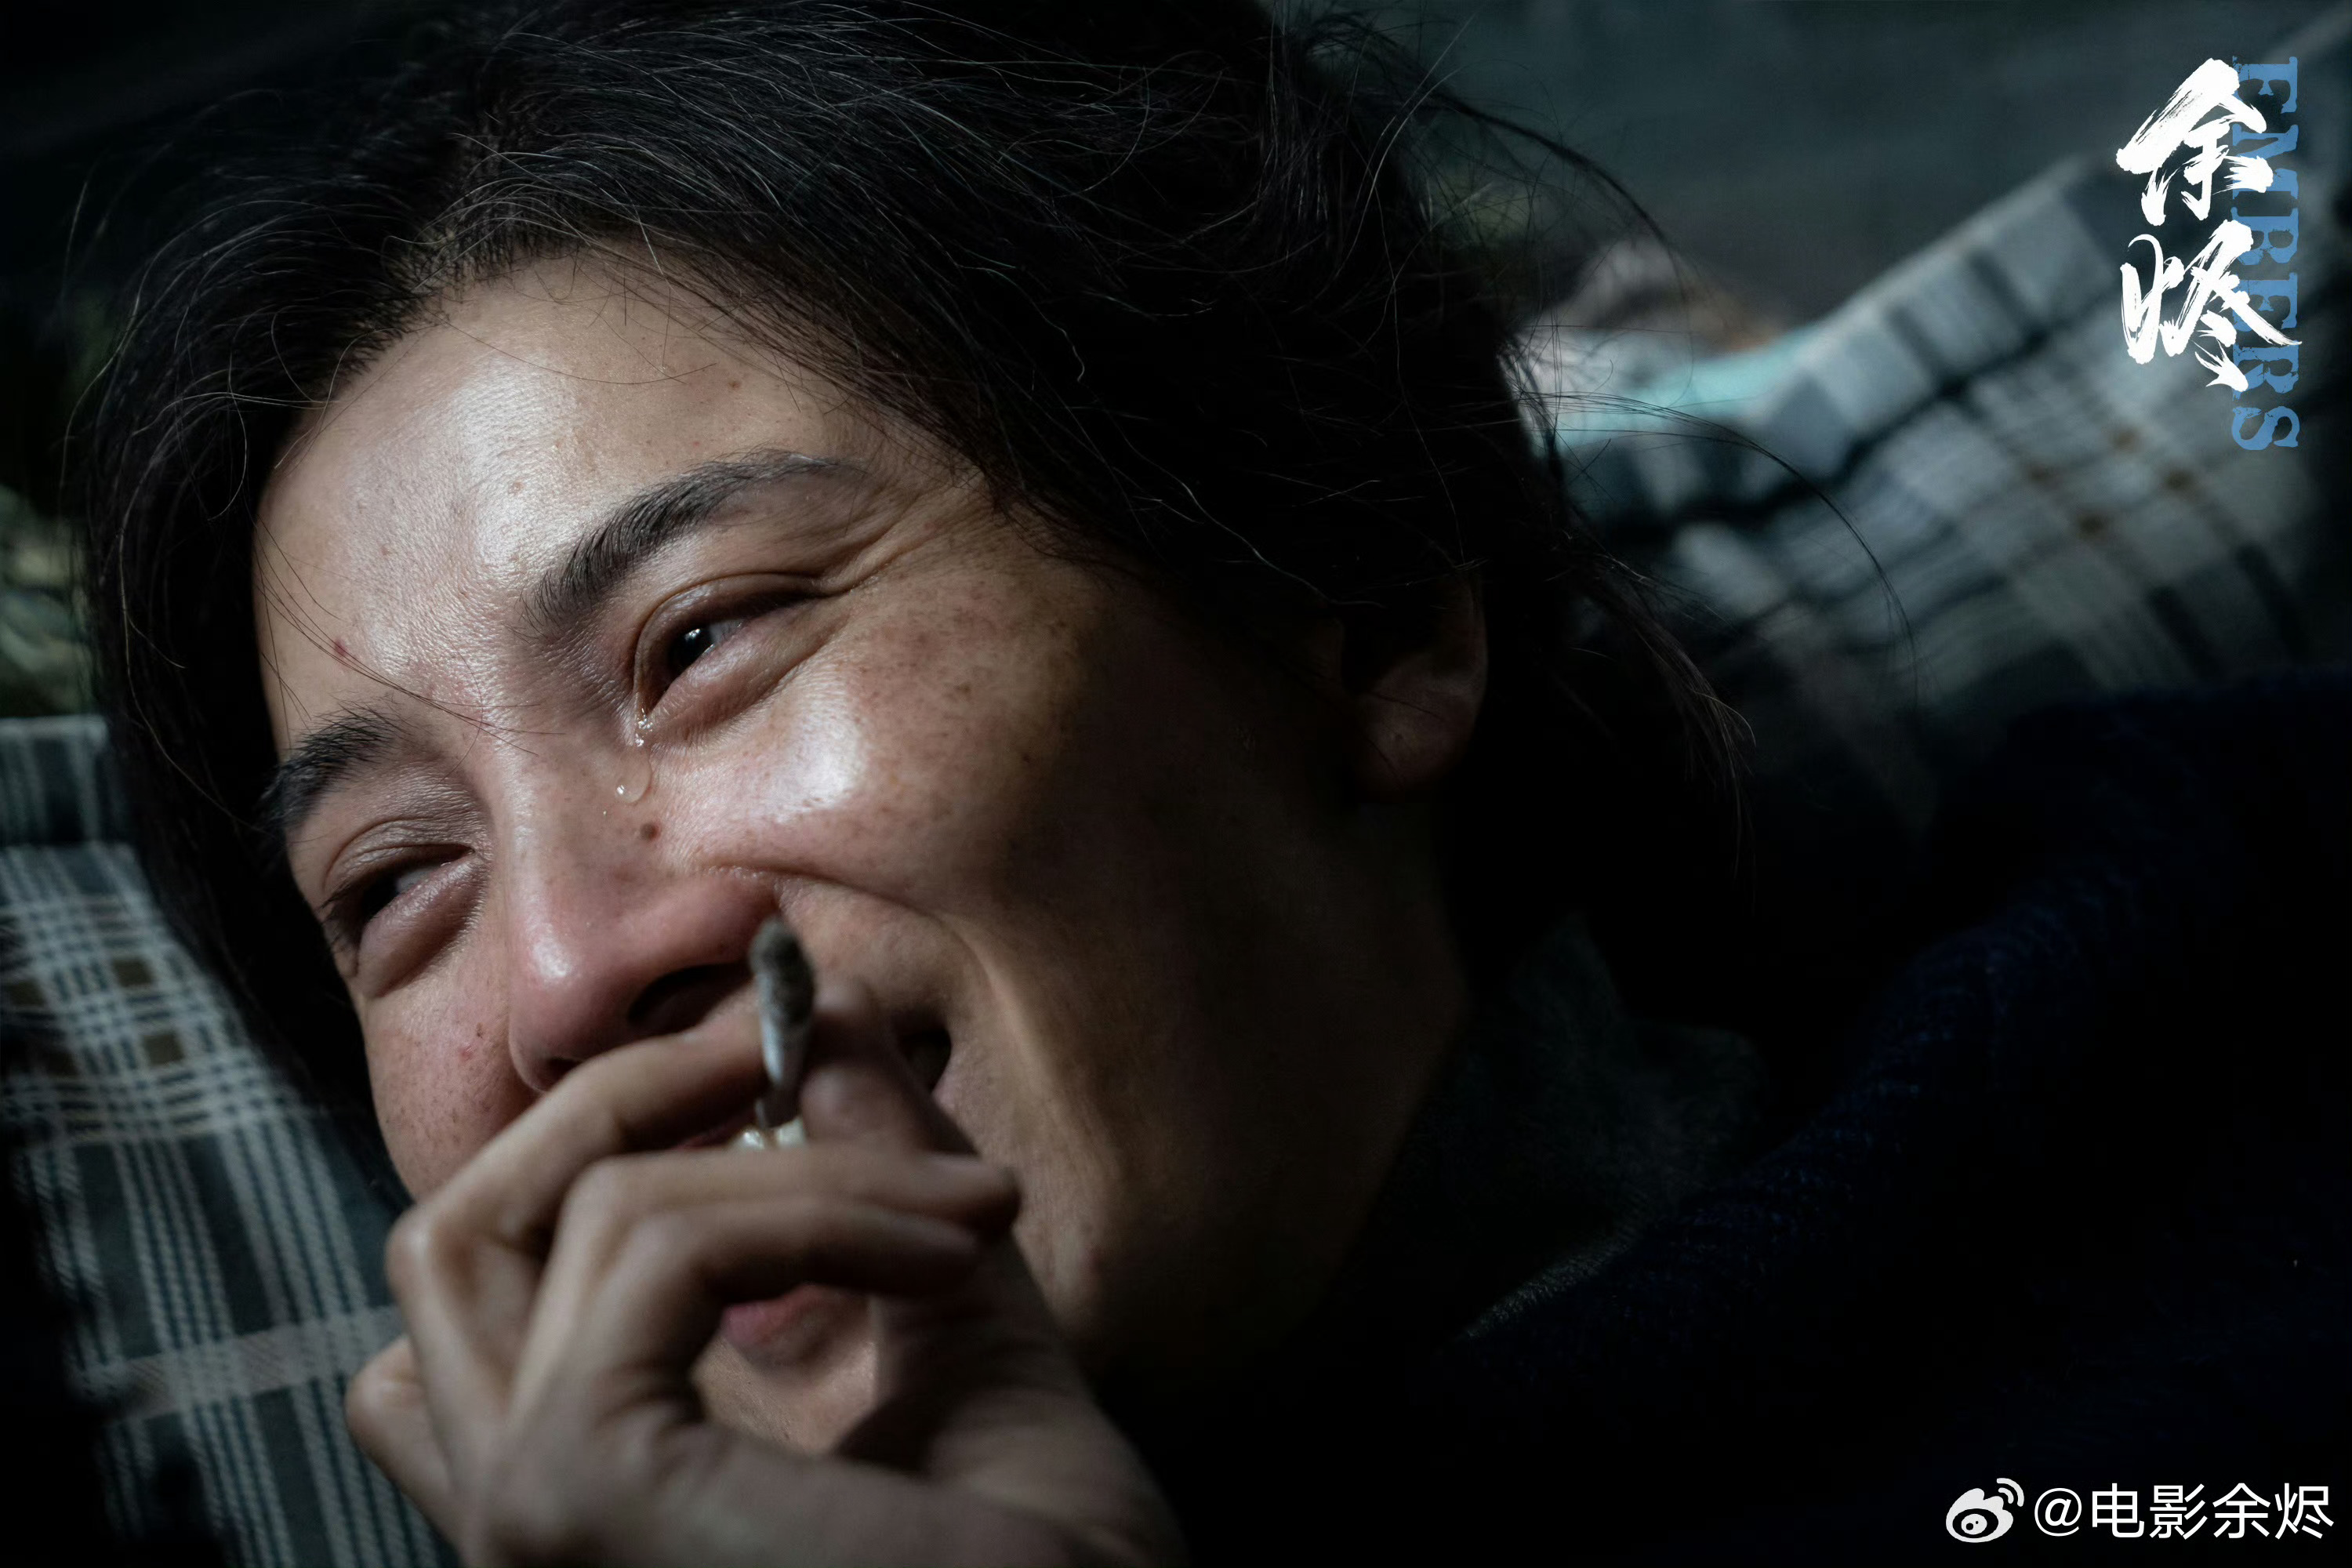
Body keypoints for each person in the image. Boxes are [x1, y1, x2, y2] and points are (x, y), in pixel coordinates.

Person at [76, 2, 2350, 1563]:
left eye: (702, 643)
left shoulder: (2240, 1048)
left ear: (1366, 615)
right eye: (394, 881)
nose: (568, 970)